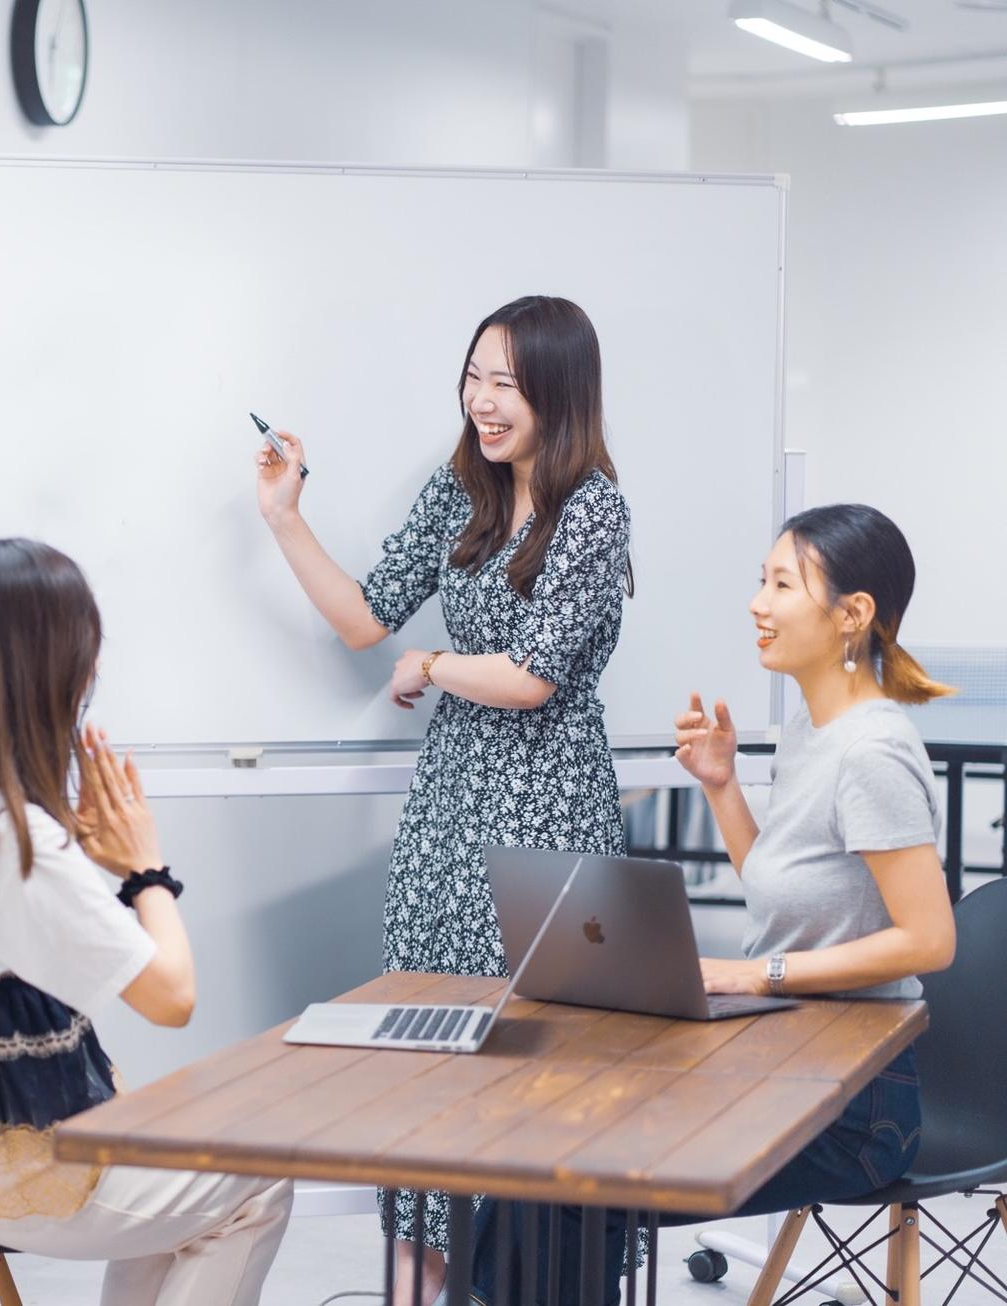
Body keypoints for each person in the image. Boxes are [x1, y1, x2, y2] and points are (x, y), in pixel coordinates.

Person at [471, 502, 958, 1306]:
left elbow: (930, 940)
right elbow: (781, 879)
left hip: (857, 1105)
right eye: (761, 581)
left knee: (569, 1185)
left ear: (852, 614)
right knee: (532, 1153)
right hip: (783, 1055)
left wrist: (759, 974)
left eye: (782, 585)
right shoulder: (812, 729)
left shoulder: (872, 752)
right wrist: (723, 786)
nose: (757, 604)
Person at [256, 296, 633, 1303]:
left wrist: (431, 662)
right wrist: (285, 517)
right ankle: (417, 1283)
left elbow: (532, 676)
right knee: (422, 1056)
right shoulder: (462, 485)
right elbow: (364, 617)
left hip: (548, 811)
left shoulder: (592, 508)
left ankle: (529, 1279)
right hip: (449, 813)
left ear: (560, 391)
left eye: (506, 383)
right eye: (473, 377)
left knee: (530, 1063)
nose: (482, 401)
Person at [0, 538, 294, 1306]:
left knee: (185, 1171)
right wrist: (145, 870)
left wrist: (73, 846)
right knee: (261, 1183)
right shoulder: (18, 845)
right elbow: (172, 998)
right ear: (52, 668)